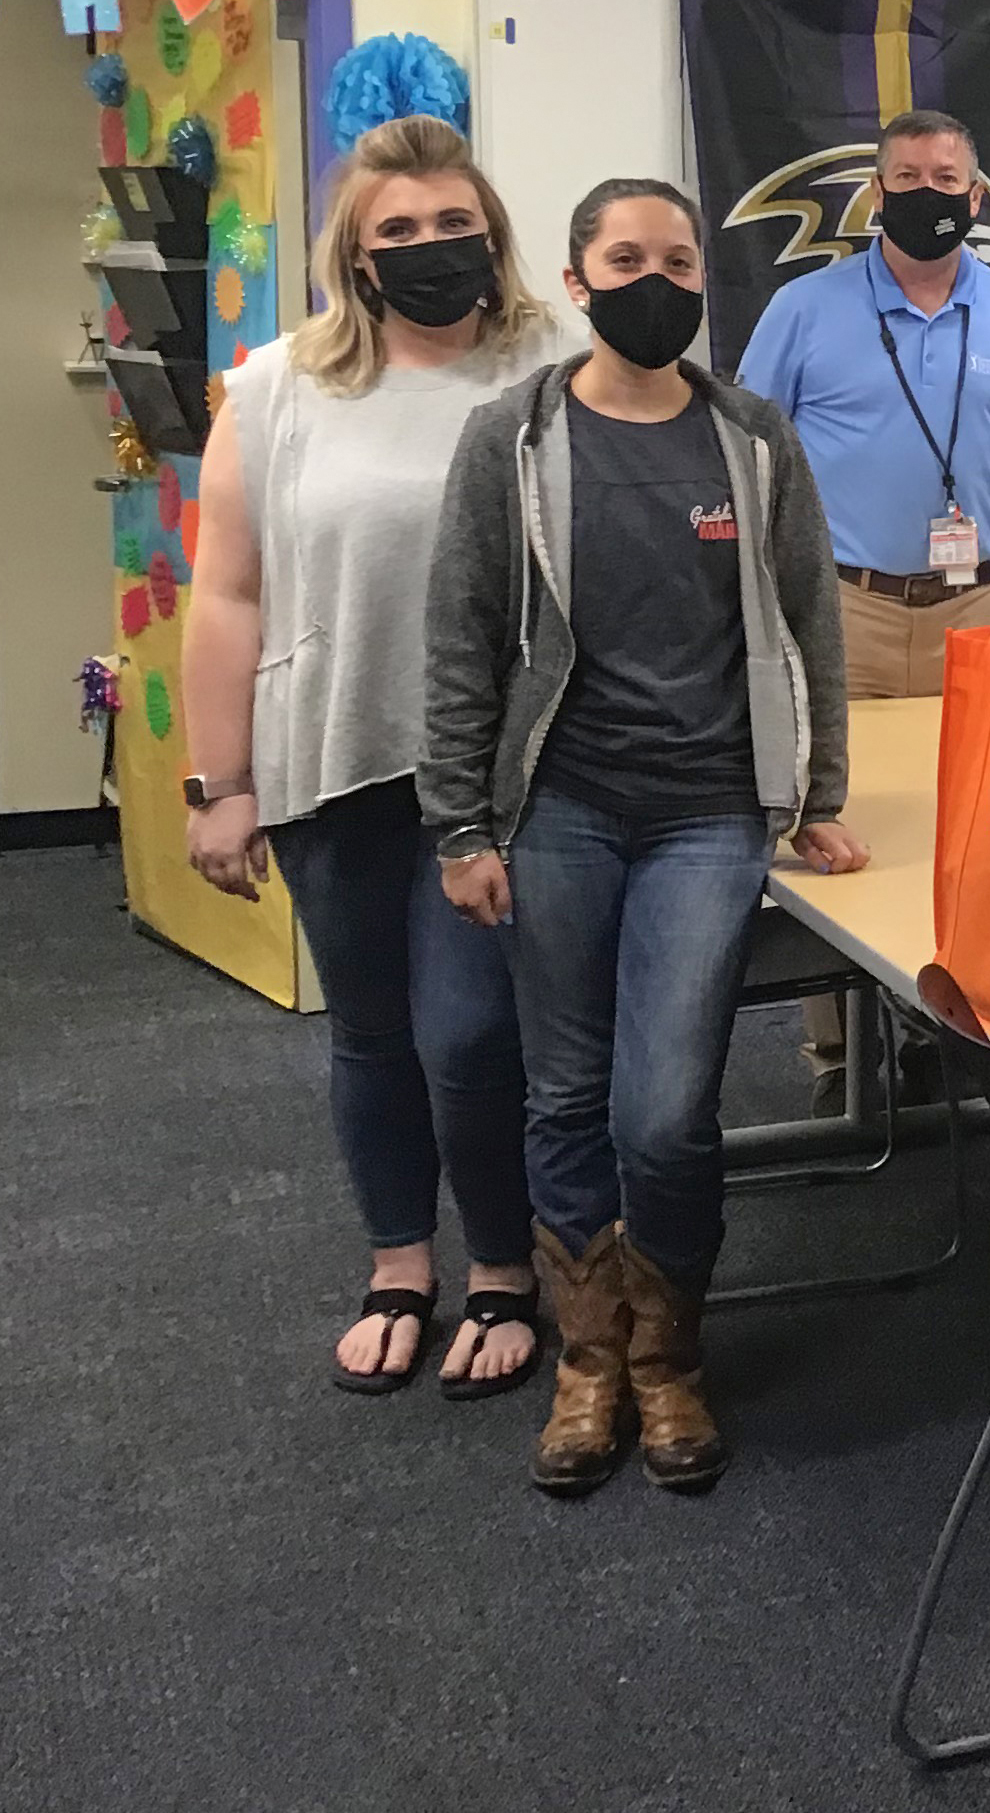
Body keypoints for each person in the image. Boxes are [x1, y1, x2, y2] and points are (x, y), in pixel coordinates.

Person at [423, 178, 866, 1497]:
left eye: (679, 259)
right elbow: (458, 638)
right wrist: (460, 822)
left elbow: (807, 627)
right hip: (556, 808)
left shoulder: (754, 439)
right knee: (562, 1096)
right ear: (577, 280)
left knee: (664, 1113)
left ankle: (672, 1354)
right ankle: (591, 1361)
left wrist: (815, 796)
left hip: (704, 815)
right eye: (627, 258)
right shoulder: (512, 438)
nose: (656, 280)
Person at [183, 114, 562, 1399]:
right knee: (370, 1034)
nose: (430, 248)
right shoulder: (277, 386)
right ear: (354, 253)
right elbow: (227, 593)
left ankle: (504, 1267)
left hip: (494, 774)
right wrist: (217, 785)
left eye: (454, 224)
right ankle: (401, 1258)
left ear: (493, 236)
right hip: (331, 757)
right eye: (396, 230)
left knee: (470, 1033)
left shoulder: (550, 367)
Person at [736, 108, 990, 1101]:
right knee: (837, 819)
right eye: (911, 177)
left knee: (989, 818)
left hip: (981, 606)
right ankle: (837, 1058)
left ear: (978, 196)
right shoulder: (806, 309)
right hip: (848, 607)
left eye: (951, 178)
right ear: (877, 194)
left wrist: (974, 514)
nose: (933, 193)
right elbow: (755, 450)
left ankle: (955, 1022)